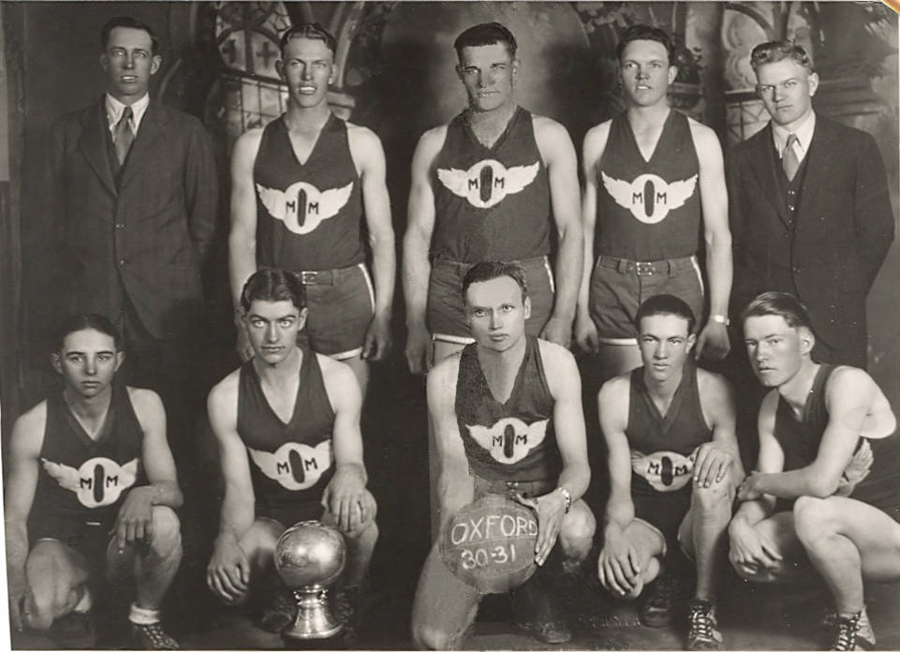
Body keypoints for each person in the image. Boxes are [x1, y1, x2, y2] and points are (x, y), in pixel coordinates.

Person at [29, 16, 219, 464]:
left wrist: (170, 273)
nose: (128, 63)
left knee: (171, 428)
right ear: (103, 61)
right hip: (90, 305)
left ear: (155, 64)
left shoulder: (187, 133)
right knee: (97, 432)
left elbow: (205, 221)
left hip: (165, 310)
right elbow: (48, 225)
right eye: (118, 53)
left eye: (139, 54)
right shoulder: (66, 133)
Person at [411, 262, 595, 648]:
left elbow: (578, 466)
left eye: (506, 308)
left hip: (540, 495)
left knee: (577, 529)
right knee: (431, 638)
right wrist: (465, 548)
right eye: (481, 311)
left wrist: (556, 502)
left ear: (526, 308)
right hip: (480, 501)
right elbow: (454, 473)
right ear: (466, 316)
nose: (496, 323)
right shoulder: (445, 377)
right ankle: (485, 592)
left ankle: (537, 592)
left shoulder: (557, 363)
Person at [403, 22, 582, 374]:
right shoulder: (433, 143)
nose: (485, 82)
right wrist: (413, 323)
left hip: (527, 284)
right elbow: (417, 236)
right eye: (473, 70)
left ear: (514, 68)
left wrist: (564, 314)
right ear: (460, 72)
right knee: (452, 411)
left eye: (496, 68)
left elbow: (570, 231)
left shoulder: (549, 136)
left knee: (527, 413)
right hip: (452, 287)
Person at [206, 268, 378, 635]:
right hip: (272, 523)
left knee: (361, 514)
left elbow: (352, 462)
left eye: (284, 321)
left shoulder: (337, 379)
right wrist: (226, 540)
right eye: (260, 321)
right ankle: (281, 596)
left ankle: (344, 594)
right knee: (230, 584)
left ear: (301, 319)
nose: (272, 336)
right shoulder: (225, 397)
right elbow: (239, 493)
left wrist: (350, 473)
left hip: (328, 513)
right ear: (243, 320)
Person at [229, 22, 395, 394]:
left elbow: (381, 236)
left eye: (319, 65)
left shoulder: (361, 142)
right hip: (275, 294)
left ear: (332, 71)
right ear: (280, 69)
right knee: (282, 408)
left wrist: (383, 313)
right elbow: (242, 240)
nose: (307, 75)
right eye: (296, 64)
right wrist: (242, 319)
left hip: (345, 291)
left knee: (346, 411)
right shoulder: (252, 145)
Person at [729, 291, 900, 651]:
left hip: (892, 531)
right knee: (748, 554)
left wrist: (759, 482)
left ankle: (855, 625)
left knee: (810, 509)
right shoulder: (771, 406)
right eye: (752, 343)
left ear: (804, 342)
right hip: (845, 526)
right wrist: (739, 525)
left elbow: (819, 483)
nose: (761, 355)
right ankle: (836, 593)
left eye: (774, 341)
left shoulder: (846, 383)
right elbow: (767, 494)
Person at [5, 314, 183, 650]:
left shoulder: (144, 404)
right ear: (58, 363)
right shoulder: (32, 425)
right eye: (76, 358)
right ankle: (90, 599)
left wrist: (145, 493)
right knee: (34, 614)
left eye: (102, 357)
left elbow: (172, 490)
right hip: (64, 541)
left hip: (120, 538)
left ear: (118, 361)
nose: (91, 370)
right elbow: (13, 517)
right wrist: (12, 580)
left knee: (164, 522)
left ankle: (144, 619)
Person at [576, 25, 732, 378]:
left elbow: (717, 236)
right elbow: (584, 233)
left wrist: (719, 317)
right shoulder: (597, 140)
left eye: (655, 65)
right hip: (612, 283)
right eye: (632, 65)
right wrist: (580, 309)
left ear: (672, 73)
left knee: (672, 403)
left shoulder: (701, 139)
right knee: (618, 397)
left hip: (677, 280)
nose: (643, 74)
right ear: (619, 73)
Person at [726, 41, 894, 368]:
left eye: (789, 84)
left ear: (812, 84)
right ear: (758, 91)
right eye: (768, 87)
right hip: (767, 325)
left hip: (836, 321)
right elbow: (736, 241)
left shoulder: (856, 148)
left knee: (839, 409)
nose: (779, 96)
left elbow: (877, 232)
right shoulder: (741, 158)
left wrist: (843, 292)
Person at [596, 294, 742, 650]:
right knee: (624, 582)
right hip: (645, 521)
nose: (661, 353)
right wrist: (612, 533)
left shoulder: (713, 390)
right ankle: (668, 573)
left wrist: (721, 454)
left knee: (716, 477)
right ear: (638, 340)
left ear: (690, 343)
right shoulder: (614, 395)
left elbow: (734, 477)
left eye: (674, 341)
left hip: (697, 520)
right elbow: (619, 492)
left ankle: (703, 603)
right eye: (651, 339)